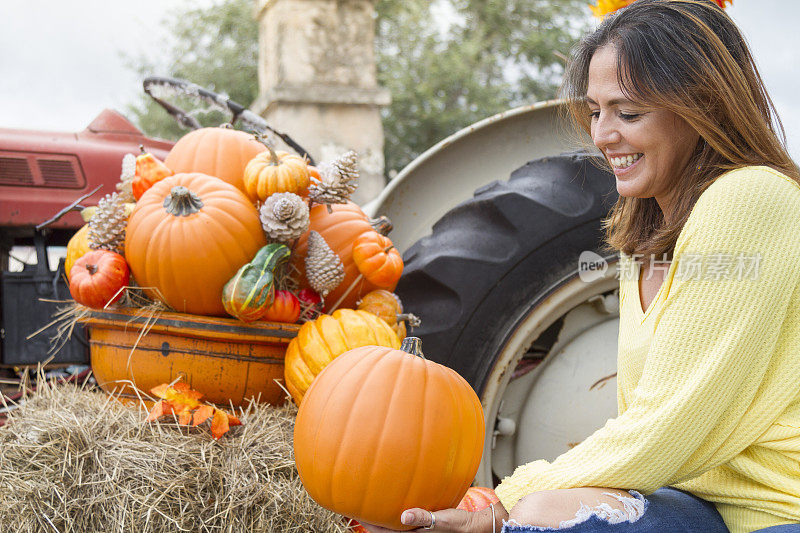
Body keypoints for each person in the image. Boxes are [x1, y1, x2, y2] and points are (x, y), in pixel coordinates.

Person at [360, 0, 800, 532]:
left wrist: (503, 502)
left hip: (772, 513)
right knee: (548, 512)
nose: (602, 135)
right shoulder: (642, 239)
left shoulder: (753, 198)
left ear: (700, 107)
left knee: (543, 514)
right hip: (695, 504)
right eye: (595, 111)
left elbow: (668, 426)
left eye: (629, 113)